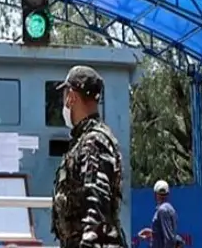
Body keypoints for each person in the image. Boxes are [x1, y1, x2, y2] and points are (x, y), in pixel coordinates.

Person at [51, 65, 125, 248]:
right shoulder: (85, 140)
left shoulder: (93, 142)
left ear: (72, 97)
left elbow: (95, 212)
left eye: (65, 94)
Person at [138, 180, 181, 247]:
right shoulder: (170, 208)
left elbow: (169, 238)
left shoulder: (162, 210)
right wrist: (153, 233)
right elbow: (166, 232)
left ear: (155, 194)